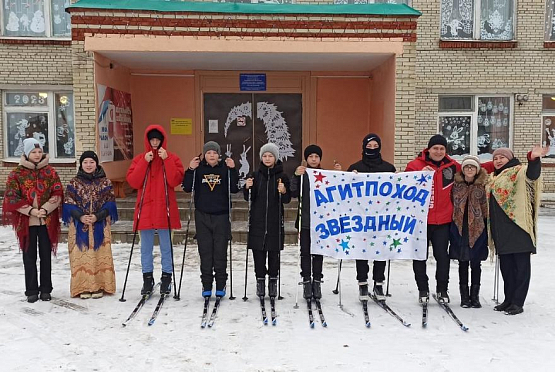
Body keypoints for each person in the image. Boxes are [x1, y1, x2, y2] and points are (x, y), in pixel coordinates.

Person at [487, 145, 547, 315]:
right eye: (495, 158)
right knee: (506, 268)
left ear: (510, 158)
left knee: (520, 269)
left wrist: (534, 159)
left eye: (502, 158)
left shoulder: (518, 172)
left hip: (518, 228)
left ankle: (518, 302)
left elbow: (532, 175)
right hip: (502, 232)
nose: (498, 161)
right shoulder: (493, 177)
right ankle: (508, 299)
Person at [2, 138, 63, 303]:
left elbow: (57, 192)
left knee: (45, 256)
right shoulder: (17, 173)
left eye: (39, 151)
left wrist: (45, 209)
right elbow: (11, 197)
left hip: (46, 221)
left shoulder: (50, 172)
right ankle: (31, 290)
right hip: (27, 222)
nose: (37, 155)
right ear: (26, 153)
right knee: (29, 257)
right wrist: (31, 211)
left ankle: (45, 289)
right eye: (33, 152)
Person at [126, 125, 184, 296]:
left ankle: (167, 277)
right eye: (152, 140)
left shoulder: (172, 158)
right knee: (146, 248)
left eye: (158, 140)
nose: (155, 143)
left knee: (166, 246)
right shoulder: (139, 159)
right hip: (146, 209)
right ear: (148, 141)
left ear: (162, 141)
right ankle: (147, 278)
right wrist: (145, 161)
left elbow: (175, 180)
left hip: (164, 209)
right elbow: (134, 182)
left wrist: (166, 160)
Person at [405, 134, 460, 304]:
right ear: (428, 149)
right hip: (420, 221)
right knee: (420, 256)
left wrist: (498, 164)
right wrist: (418, 176)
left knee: (442, 257)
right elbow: (402, 183)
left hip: (443, 221)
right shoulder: (415, 165)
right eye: (435, 148)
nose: (438, 151)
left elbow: (473, 169)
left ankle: (442, 290)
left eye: (442, 148)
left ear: (446, 150)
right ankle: (423, 290)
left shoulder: (452, 166)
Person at [182, 141, 239, 298]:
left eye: (214, 152)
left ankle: (221, 283)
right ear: (204, 155)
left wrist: (233, 169)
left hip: (221, 215)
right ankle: (206, 284)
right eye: (208, 153)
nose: (211, 155)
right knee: (205, 252)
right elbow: (187, 187)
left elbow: (235, 188)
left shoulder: (225, 169)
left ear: (219, 154)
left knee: (220, 251)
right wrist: (190, 169)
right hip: (202, 216)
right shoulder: (199, 169)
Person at [347, 134, 396, 302]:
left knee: (380, 250)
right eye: (370, 146)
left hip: (382, 217)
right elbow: (346, 192)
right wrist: (349, 177)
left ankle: (379, 283)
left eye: (376, 146)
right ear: (364, 147)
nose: (373, 149)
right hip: (361, 217)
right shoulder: (355, 167)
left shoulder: (389, 168)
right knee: (362, 249)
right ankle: (362, 283)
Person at [62, 151, 118, 299]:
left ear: (96, 164)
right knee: (81, 256)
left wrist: (97, 216)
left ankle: (99, 286)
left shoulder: (105, 182)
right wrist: (80, 217)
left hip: (100, 224)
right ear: (81, 164)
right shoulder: (74, 183)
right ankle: (83, 287)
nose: (88, 165)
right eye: (85, 162)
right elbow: (68, 203)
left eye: (91, 162)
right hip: (79, 226)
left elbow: (110, 203)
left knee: (100, 255)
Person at [290, 145, 341, 300]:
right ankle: (306, 280)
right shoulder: (302, 174)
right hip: (305, 221)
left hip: (321, 222)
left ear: (320, 159)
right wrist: (296, 175)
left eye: (316, 157)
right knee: (305, 253)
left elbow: (339, 191)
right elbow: (292, 192)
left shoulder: (325, 175)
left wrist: (338, 175)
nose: (313, 159)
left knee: (318, 253)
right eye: (310, 156)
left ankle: (317, 280)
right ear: (306, 158)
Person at [244, 143, 291, 299]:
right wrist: (247, 187)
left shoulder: (282, 176)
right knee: (258, 252)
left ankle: (272, 280)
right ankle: (260, 280)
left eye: (270, 156)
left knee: (273, 252)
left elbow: (287, 199)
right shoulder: (255, 175)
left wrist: (284, 191)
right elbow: (248, 197)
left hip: (274, 219)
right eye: (264, 156)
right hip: (257, 220)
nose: (267, 158)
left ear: (275, 157)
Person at [449, 155, 488, 308]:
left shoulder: (482, 186)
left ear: (477, 170)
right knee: (462, 262)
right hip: (460, 228)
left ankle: (475, 296)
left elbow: (485, 208)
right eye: (466, 167)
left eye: (472, 167)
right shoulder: (456, 186)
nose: (469, 169)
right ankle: (464, 297)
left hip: (477, 228)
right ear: (463, 170)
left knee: (476, 263)